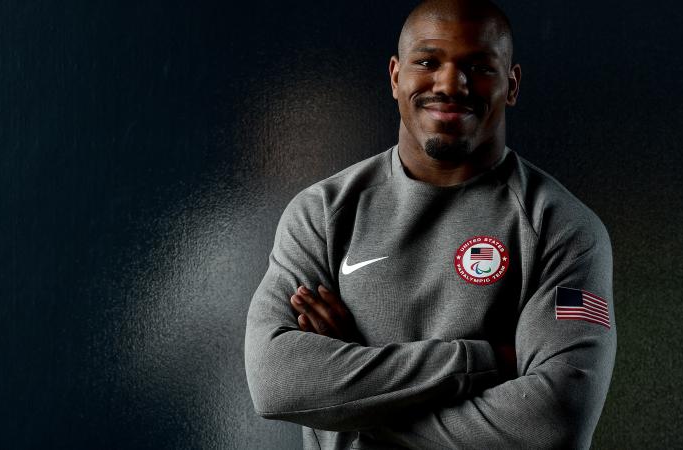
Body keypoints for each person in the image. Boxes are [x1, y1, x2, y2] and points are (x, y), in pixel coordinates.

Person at [244, 0, 616, 448]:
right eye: (428, 61)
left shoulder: (564, 229)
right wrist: (479, 362)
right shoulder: (322, 214)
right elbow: (276, 381)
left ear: (512, 85)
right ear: (396, 76)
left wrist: (351, 396)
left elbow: (557, 420)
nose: (450, 84)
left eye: (478, 66)